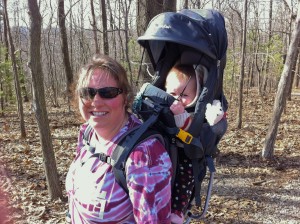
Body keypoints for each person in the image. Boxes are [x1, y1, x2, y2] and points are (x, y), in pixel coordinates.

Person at [65, 54, 172, 223]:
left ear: (126, 97)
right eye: (87, 92)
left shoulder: (144, 156)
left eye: (108, 92)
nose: (96, 101)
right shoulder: (87, 133)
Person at [165, 64, 226, 224]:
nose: (178, 99)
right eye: (172, 93)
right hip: (165, 150)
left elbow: (189, 130)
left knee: (186, 175)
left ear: (196, 94)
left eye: (184, 94)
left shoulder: (195, 114)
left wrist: (179, 116)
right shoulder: (167, 106)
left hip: (187, 153)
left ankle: (178, 209)